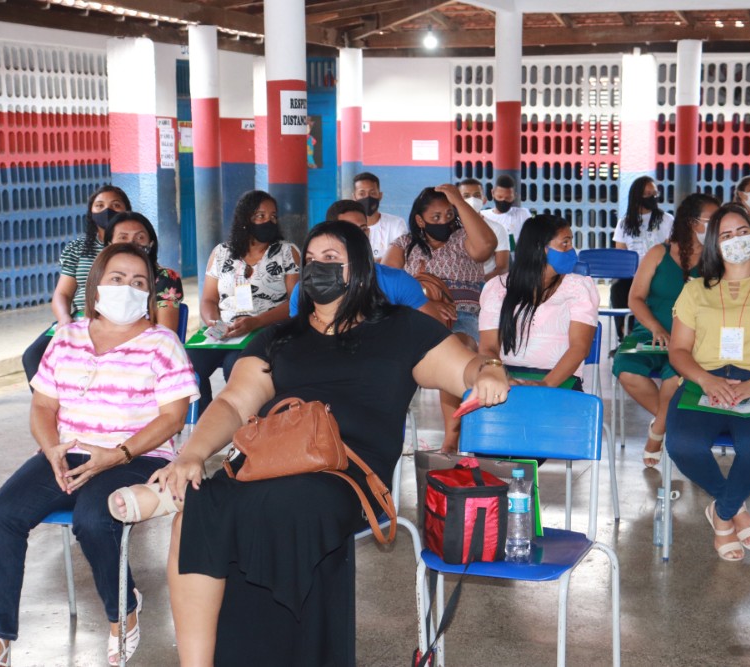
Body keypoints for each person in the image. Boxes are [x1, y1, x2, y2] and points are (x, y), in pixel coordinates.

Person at [107, 221, 511, 667]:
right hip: (273, 461)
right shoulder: (281, 336)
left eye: (331, 259)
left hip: (348, 472)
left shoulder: (402, 328)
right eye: (312, 259)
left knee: (287, 504)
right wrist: (192, 455)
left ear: (361, 268)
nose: (318, 268)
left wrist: (489, 369)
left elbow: (466, 368)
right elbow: (234, 402)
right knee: (199, 511)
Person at [0, 244, 198, 667]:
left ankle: (124, 609)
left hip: (137, 455)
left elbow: (173, 418)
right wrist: (51, 449)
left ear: (149, 294)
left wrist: (118, 453)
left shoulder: (162, 342)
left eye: (138, 282)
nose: (127, 288)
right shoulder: (66, 338)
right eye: (117, 278)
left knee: (94, 519)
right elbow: (43, 407)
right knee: (2, 514)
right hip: (69, 452)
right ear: (96, 285)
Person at [665, 203, 750, 561]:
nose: (735, 240)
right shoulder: (695, 290)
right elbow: (678, 350)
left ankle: (722, 513)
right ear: (714, 244)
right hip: (703, 381)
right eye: (725, 235)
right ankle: (735, 508)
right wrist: (705, 380)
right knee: (682, 445)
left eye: (742, 232)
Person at [384, 184, 497, 451]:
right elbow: (387, 286)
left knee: (457, 349)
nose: (444, 221)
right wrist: (427, 302)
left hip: (462, 315)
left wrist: (458, 200)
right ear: (420, 220)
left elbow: (486, 247)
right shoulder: (404, 245)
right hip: (416, 315)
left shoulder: (463, 238)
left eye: (449, 214)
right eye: (435, 217)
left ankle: (450, 441)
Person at [613, 193, 718, 467]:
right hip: (650, 332)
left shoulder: (716, 258)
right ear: (692, 222)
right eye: (712, 220)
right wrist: (656, 328)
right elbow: (635, 298)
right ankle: (673, 421)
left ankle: (657, 432)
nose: (717, 225)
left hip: (693, 340)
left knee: (675, 378)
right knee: (626, 369)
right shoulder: (659, 253)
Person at [189, 190, 300, 415]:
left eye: (273, 216)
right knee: (189, 365)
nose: (268, 221)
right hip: (226, 331)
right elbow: (209, 299)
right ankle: (204, 420)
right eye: (260, 216)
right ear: (244, 219)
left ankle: (246, 426)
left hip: (267, 328)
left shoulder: (287, 252)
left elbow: (294, 303)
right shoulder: (221, 253)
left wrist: (255, 322)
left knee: (236, 367)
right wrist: (215, 324)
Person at [21, 185, 130, 384]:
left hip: (119, 320)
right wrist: (64, 319)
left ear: (127, 210)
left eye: (115, 205)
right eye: (99, 206)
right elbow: (62, 294)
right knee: (33, 356)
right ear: (91, 213)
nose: (107, 210)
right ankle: (52, 403)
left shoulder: (132, 246)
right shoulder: (77, 248)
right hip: (78, 319)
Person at [479, 214, 599, 391]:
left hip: (560, 380)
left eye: (571, 243)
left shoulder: (578, 287)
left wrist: (545, 384)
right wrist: (505, 378)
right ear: (540, 248)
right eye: (565, 243)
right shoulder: (498, 288)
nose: (571, 250)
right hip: (506, 377)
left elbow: (580, 348)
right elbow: (488, 347)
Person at [288, 199, 430, 317]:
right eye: (349, 230)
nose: (358, 237)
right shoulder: (305, 290)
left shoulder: (397, 281)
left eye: (362, 229)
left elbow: (432, 332)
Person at [610, 176, 675, 338]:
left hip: (659, 273)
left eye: (654, 193)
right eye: (647, 194)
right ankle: (624, 333)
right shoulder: (624, 223)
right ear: (637, 196)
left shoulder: (667, 220)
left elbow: (672, 250)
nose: (652, 197)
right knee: (617, 288)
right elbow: (621, 256)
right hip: (633, 276)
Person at [105, 212, 184, 332]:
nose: (132, 243)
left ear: (151, 244)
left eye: (140, 237)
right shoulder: (102, 277)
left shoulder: (165, 278)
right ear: (109, 245)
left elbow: (165, 333)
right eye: (123, 237)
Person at [458, 178, 510, 280]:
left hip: (485, 284)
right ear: (458, 201)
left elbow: (502, 268)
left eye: (477, 195)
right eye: (466, 196)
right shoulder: (451, 227)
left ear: (484, 200)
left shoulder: (498, 229)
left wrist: (480, 283)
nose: (472, 200)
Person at [352, 171, 407, 261]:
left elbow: (401, 258)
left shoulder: (396, 224)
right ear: (354, 197)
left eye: (372, 193)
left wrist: (365, 263)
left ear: (380, 196)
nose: (367, 198)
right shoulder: (349, 227)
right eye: (362, 194)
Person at [480, 174, 532, 242]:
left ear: (514, 196)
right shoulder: (483, 216)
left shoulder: (523, 214)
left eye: (508, 198)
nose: (503, 201)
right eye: (500, 197)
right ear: (493, 193)